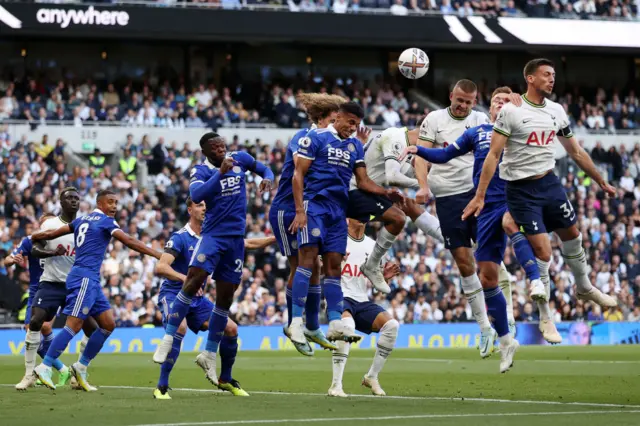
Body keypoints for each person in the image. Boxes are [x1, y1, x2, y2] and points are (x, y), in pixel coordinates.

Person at [463, 58, 617, 344]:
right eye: (546, 74)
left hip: (550, 183)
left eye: (554, 75)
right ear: (530, 79)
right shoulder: (510, 111)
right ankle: (545, 316)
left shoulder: (556, 111)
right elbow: (493, 156)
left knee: (573, 234)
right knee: (543, 252)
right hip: (520, 191)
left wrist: (601, 180)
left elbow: (576, 152)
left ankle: (584, 286)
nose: (552, 79)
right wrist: (480, 195)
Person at [403, 87, 537, 370]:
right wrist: (420, 166)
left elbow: (530, 127)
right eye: (496, 100)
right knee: (475, 267)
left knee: (507, 236)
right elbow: (440, 155)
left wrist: (519, 107)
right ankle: (494, 332)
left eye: (469, 101)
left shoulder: (505, 123)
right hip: (455, 200)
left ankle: (527, 299)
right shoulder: (456, 126)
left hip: (489, 196)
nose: (464, 105)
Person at [153, 132, 274, 388]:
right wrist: (220, 173)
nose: (221, 150)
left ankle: (209, 354)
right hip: (214, 236)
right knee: (193, 280)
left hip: (235, 239)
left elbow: (263, 167)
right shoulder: (201, 170)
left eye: (222, 145)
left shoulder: (239, 158)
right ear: (206, 151)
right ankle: (167, 339)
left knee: (225, 298)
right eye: (215, 148)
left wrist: (268, 179)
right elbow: (197, 195)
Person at [288, 102, 404, 348]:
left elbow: (362, 182)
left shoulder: (354, 146)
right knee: (307, 261)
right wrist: (299, 211)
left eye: (356, 124)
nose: (352, 128)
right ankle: (296, 322)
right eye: (349, 122)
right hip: (315, 206)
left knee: (333, 266)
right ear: (337, 117)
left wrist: (386, 192)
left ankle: (334, 323)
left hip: (338, 211)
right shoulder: (315, 138)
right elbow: (297, 175)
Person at [32, 189, 162, 391]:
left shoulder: (81, 220)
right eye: (110, 202)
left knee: (108, 324)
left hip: (90, 279)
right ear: (100, 203)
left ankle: (80, 367)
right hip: (84, 277)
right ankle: (45, 366)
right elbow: (128, 241)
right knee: (73, 325)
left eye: (116, 202)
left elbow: (52, 234)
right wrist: (156, 254)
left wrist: (35, 237)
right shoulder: (105, 221)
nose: (114, 207)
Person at [413, 79, 499, 356]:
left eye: (468, 101)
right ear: (451, 96)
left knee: (489, 259)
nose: (462, 106)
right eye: (458, 99)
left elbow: (492, 155)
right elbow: (421, 156)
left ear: (475, 102)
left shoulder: (481, 119)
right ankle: (485, 327)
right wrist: (423, 186)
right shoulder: (434, 119)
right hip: (448, 198)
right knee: (464, 263)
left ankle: (503, 315)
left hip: (477, 194)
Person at [268, 93, 346, 356]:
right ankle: (295, 325)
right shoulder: (305, 138)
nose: (337, 125)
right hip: (289, 209)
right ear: (322, 119)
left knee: (316, 266)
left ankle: (312, 326)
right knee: (300, 265)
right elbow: (301, 174)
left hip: (311, 209)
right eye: (334, 120)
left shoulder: (332, 141)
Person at [15, 190, 98, 390]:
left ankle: (78, 373)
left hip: (75, 285)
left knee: (93, 329)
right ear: (61, 202)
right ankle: (29, 375)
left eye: (77, 198)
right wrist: (52, 252)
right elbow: (34, 249)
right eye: (69, 198)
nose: (74, 201)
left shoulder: (86, 226)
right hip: (51, 283)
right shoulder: (50, 225)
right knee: (35, 322)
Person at [353, 123, 444, 295]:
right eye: (436, 144)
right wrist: (424, 186)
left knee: (405, 207)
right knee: (399, 216)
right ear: (426, 131)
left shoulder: (413, 155)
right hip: (356, 190)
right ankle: (371, 266)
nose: (435, 150)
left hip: (373, 194)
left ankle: (449, 238)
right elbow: (392, 177)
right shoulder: (395, 136)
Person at [329, 218, 400, 398]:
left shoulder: (372, 245)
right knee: (348, 327)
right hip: (340, 295)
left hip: (361, 299)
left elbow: (375, 279)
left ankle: (371, 377)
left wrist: (384, 277)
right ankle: (336, 385)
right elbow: (323, 269)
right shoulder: (337, 238)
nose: (362, 218)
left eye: (365, 215)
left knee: (392, 326)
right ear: (347, 219)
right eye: (357, 214)